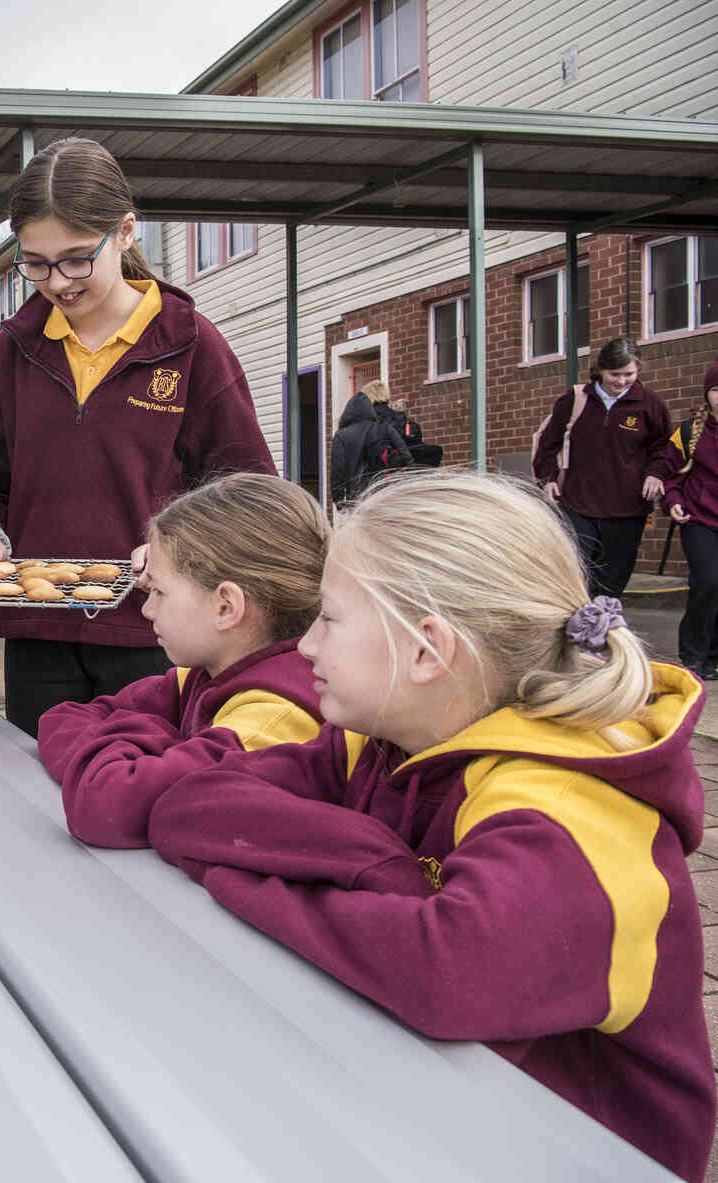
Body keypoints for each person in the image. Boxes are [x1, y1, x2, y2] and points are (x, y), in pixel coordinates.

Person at [144, 469, 713, 1182]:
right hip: (428, 1113)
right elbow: (186, 805)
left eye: (329, 618)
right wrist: (381, 869)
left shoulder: (573, 810)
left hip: (572, 1150)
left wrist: (247, 872)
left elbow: (449, 973)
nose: (307, 646)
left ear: (425, 650)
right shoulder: (380, 742)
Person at [0, 137, 275, 738]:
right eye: (35, 262)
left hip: (153, 628)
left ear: (126, 232)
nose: (57, 281)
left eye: (78, 257)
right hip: (39, 630)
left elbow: (246, 489)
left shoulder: (191, 346)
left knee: (142, 787)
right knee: (38, 790)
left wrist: (180, 549)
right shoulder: (12, 350)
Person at [39, 473, 329, 847]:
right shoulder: (206, 675)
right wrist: (160, 745)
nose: (146, 610)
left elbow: (104, 806)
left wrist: (148, 743)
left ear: (226, 607)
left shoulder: (274, 722)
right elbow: (61, 719)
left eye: (158, 591)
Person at [532, 336, 672, 599]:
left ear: (638, 370)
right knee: (574, 574)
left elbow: (662, 447)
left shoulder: (651, 405)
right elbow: (548, 444)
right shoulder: (574, 400)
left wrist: (655, 473)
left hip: (628, 508)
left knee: (611, 583)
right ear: (600, 370)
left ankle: (601, 630)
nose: (621, 381)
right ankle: (572, 629)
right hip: (577, 503)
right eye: (614, 374)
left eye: (628, 374)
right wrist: (548, 478)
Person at [664, 357, 718, 679]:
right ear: (707, 394)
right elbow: (670, 476)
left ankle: (714, 655)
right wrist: (673, 501)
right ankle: (693, 654)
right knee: (708, 582)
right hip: (699, 520)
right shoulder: (689, 432)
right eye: (716, 389)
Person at [328, 381, 413, 509]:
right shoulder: (384, 428)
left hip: (357, 497)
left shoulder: (341, 436)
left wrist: (339, 500)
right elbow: (406, 456)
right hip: (385, 492)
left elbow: (338, 471)